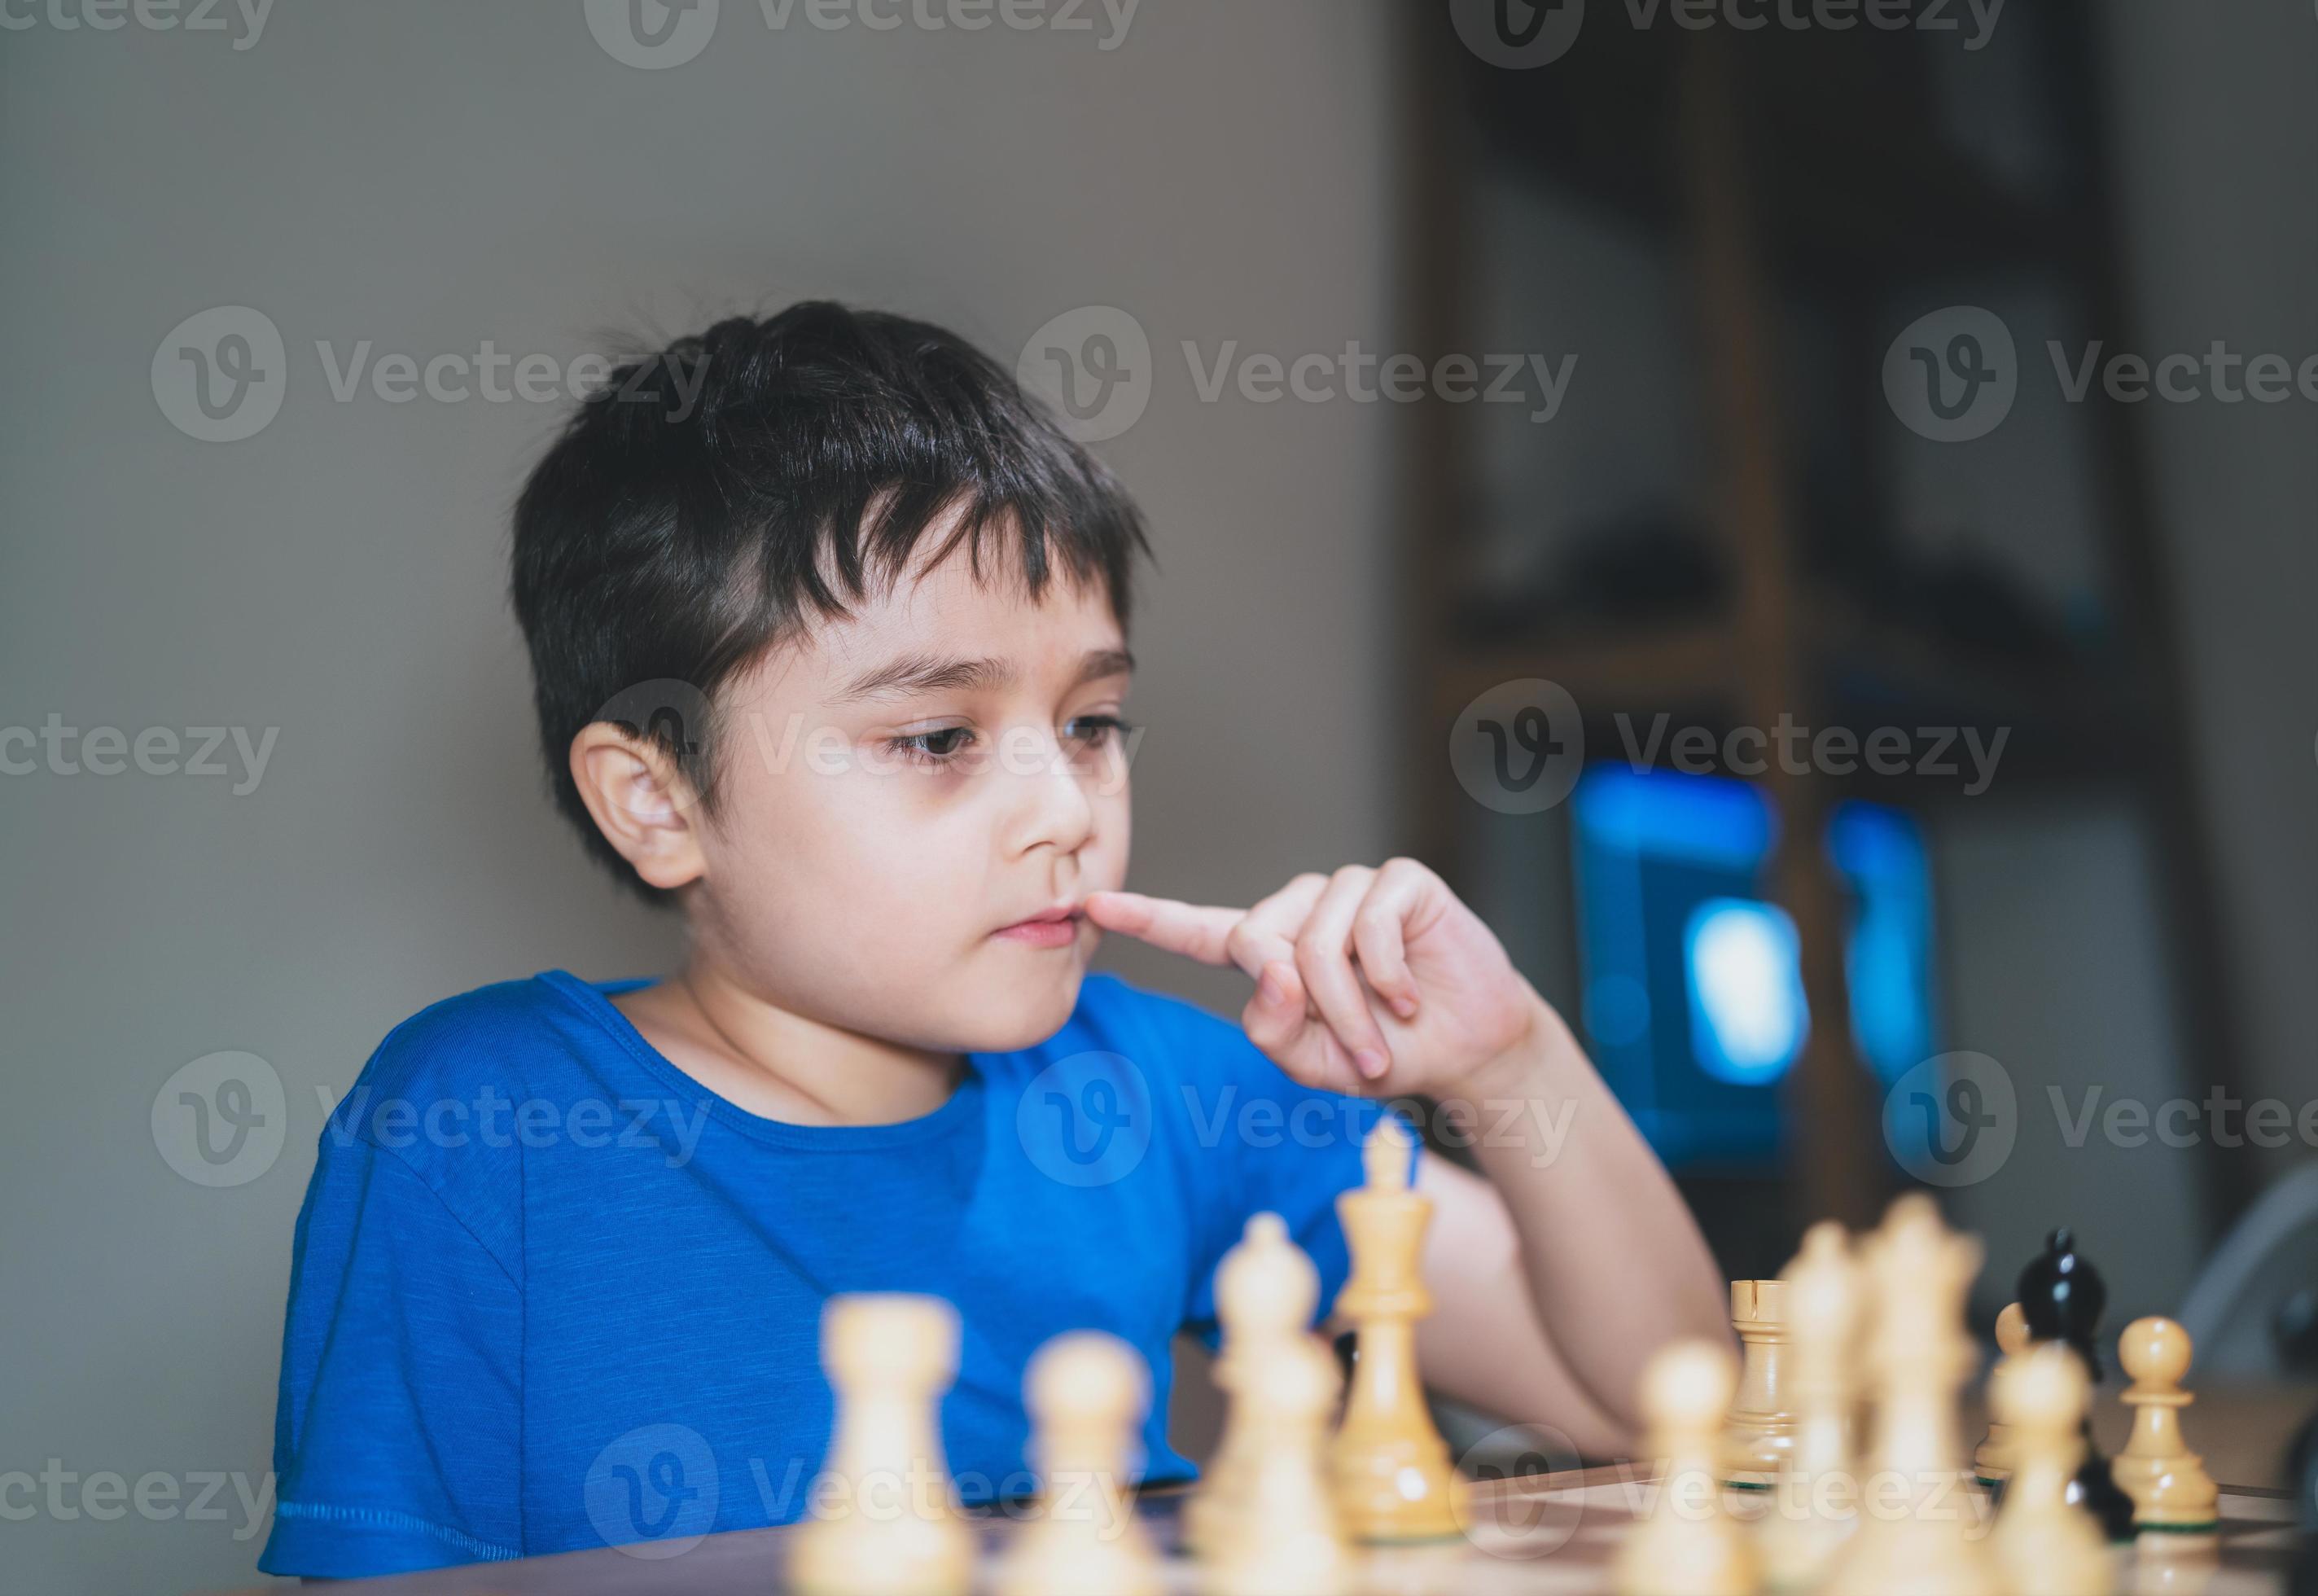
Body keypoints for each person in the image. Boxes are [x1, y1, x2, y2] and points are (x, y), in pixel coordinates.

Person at [257, 302, 1725, 1578]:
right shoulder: (477, 1131)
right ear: (658, 799)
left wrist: (1507, 1052)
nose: (1065, 807)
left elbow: (1659, 1405)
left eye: (1092, 724)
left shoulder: (1162, 1091)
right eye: (938, 736)